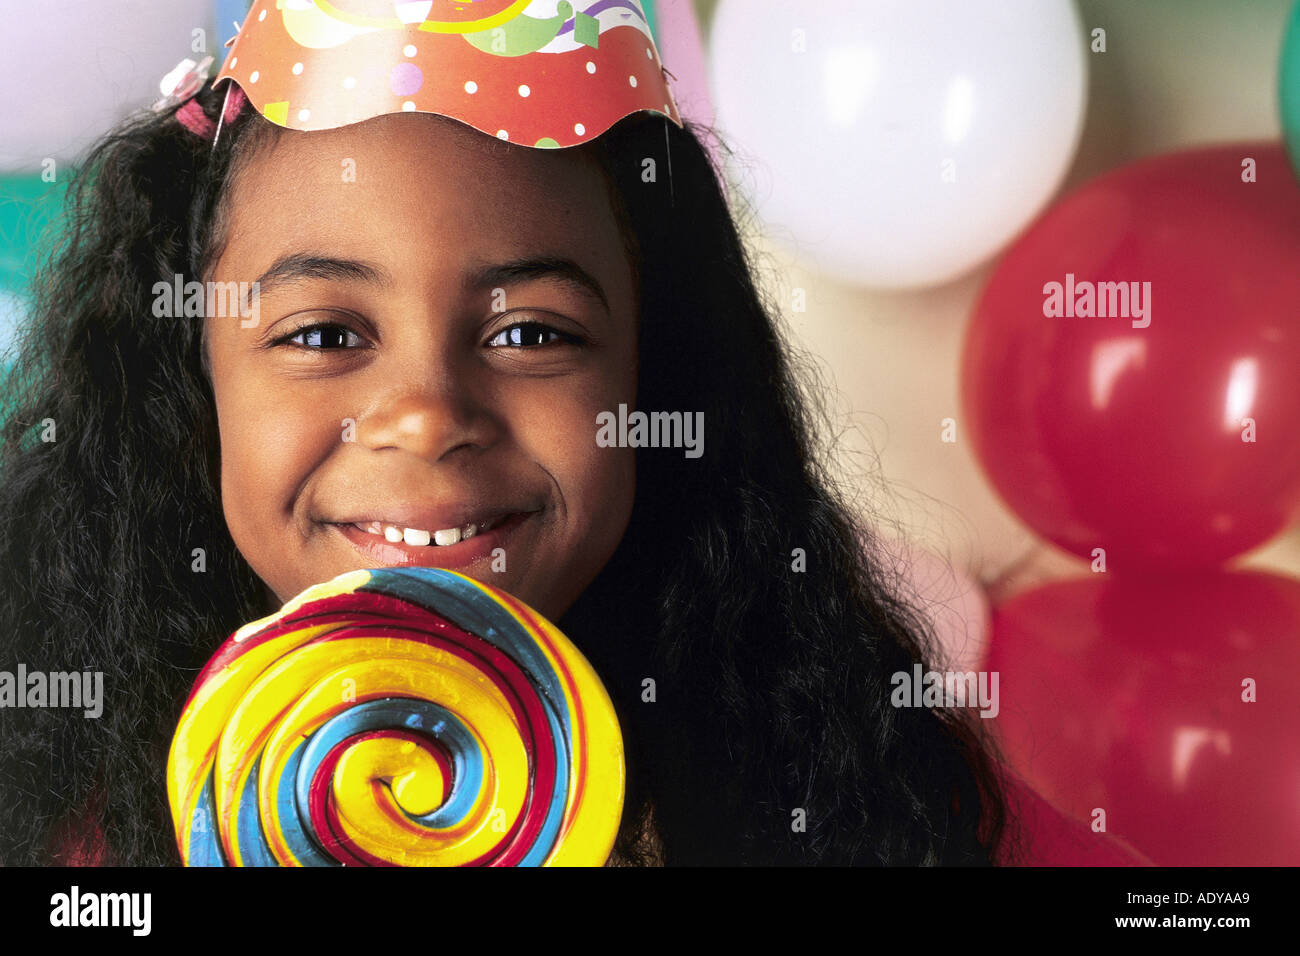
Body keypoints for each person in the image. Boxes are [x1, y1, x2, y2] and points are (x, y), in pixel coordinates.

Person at [0, 1, 1146, 867]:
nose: (427, 413)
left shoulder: (885, 809)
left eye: (533, 330)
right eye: (323, 333)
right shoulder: (66, 838)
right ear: (189, 379)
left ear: (655, 366)